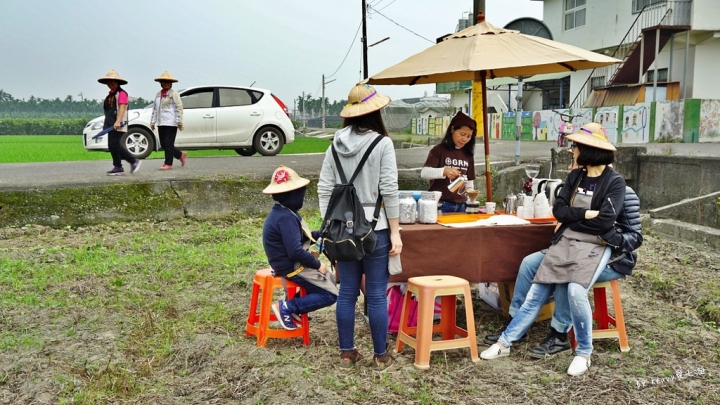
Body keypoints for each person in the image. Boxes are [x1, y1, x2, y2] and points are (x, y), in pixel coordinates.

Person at [481, 122, 626, 377]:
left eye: (576, 147)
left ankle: (584, 352)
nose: (573, 151)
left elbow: (605, 221)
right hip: (566, 241)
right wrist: (586, 213)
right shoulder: (575, 177)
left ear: (589, 150)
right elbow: (559, 211)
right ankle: (504, 342)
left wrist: (576, 217)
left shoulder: (614, 182)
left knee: (575, 291)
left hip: (595, 245)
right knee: (537, 289)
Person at [317, 83, 401, 371]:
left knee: (348, 291)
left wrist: (331, 226)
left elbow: (324, 189)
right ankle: (380, 355)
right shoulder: (382, 144)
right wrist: (395, 231)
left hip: (342, 230)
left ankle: (346, 353)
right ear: (375, 110)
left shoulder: (334, 145)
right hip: (374, 228)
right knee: (376, 294)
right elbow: (389, 189)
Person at [262, 165, 338, 331]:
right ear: (293, 195)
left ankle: (297, 305)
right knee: (330, 294)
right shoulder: (286, 218)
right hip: (291, 267)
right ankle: (289, 307)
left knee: (329, 279)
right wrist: (318, 264)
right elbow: (295, 250)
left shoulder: (283, 212)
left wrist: (320, 234)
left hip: (284, 263)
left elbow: (300, 239)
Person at [421, 111, 477, 213]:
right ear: (452, 129)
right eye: (462, 134)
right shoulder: (439, 150)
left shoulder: (468, 155)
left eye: (469, 136)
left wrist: (471, 201)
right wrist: (444, 171)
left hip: (462, 205)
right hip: (441, 204)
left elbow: (469, 182)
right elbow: (424, 172)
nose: (464, 139)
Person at [98, 69, 141, 176]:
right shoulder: (110, 96)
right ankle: (123, 164)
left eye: (113, 81)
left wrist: (118, 121)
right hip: (110, 124)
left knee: (114, 144)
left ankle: (125, 163)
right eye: (109, 82)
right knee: (112, 145)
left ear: (117, 82)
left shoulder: (121, 93)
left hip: (118, 124)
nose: (111, 84)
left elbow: (122, 108)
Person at [150, 71, 186, 170]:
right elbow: (155, 109)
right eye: (163, 82)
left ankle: (168, 163)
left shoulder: (174, 94)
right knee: (163, 144)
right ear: (161, 83)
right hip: (161, 123)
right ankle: (180, 155)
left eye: (167, 82)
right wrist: (152, 122)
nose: (166, 84)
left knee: (169, 144)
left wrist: (179, 122)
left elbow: (179, 107)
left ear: (171, 83)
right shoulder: (158, 94)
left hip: (171, 123)